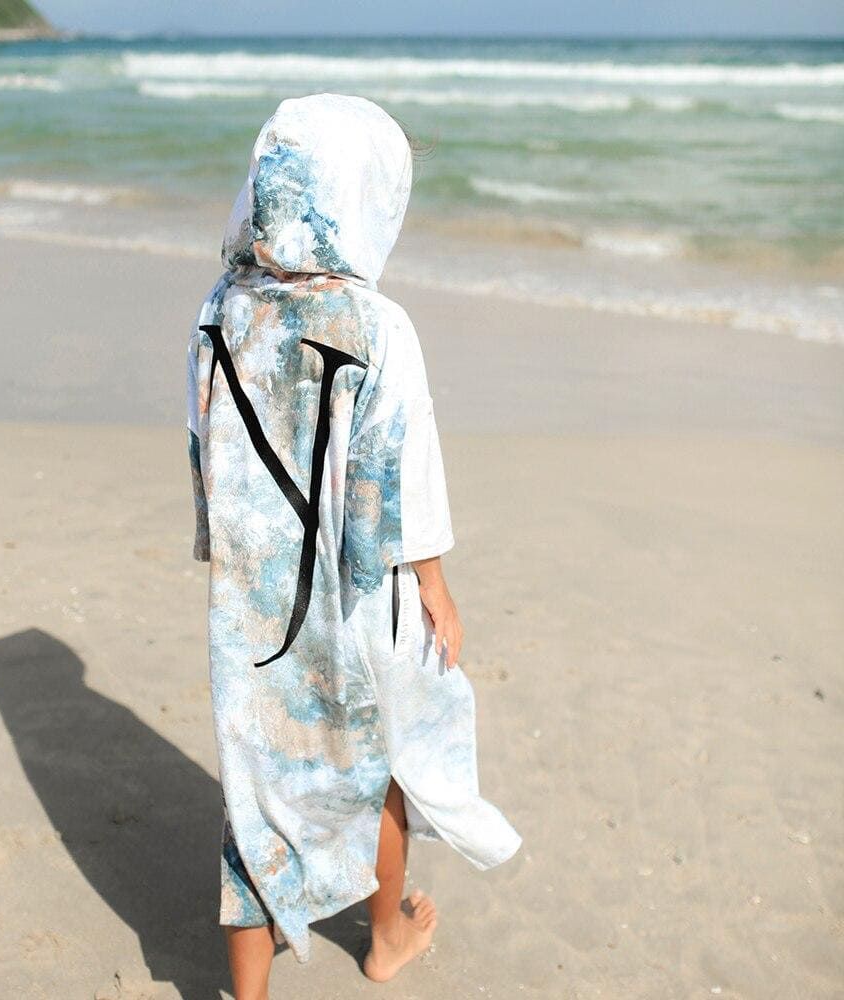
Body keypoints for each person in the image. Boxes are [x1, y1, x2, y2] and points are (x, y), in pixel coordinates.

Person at [186, 92, 521, 1000]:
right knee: (377, 763)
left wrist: (219, 544)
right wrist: (435, 585)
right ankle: (384, 938)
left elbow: (204, 438)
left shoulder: (221, 308)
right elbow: (399, 472)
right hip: (360, 589)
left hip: (255, 600)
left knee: (258, 790)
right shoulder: (376, 325)